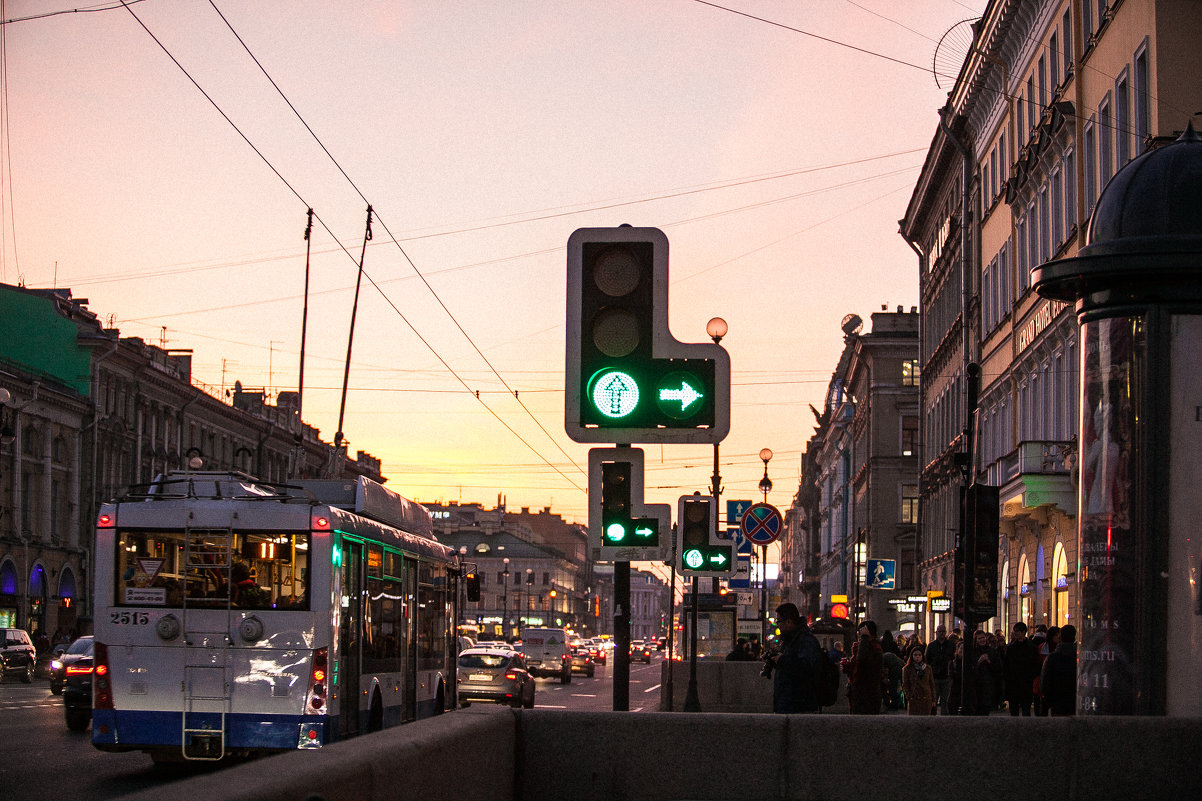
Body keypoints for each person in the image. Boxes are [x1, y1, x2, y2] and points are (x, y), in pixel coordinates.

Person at [764, 603, 823, 713]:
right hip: (787, 705)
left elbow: (806, 668)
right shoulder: (789, 640)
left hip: (800, 707)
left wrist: (782, 660)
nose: (777, 625)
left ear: (789, 622)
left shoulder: (806, 640)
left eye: (779, 621)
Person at [1003, 622, 1041, 716]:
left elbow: (1036, 665)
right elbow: (1007, 665)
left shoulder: (1031, 647)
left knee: (1026, 708)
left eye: (1018, 631)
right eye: (1015, 631)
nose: (1015, 633)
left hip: (1025, 682)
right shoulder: (1011, 648)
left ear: (1023, 632)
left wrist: (1030, 676)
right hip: (1014, 682)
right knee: (1014, 708)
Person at [1041, 624, 1077, 716]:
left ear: (1061, 637)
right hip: (1074, 701)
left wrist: (1049, 701)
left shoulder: (1052, 657)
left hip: (1057, 702)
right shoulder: (1078, 657)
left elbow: (1045, 681)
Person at [848, 620, 884, 714]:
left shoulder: (875, 649)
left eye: (860, 634)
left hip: (868, 695)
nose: (858, 637)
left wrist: (864, 638)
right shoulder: (859, 648)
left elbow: (862, 660)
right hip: (857, 694)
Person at [925, 625, 955, 715]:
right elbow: (927, 659)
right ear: (936, 632)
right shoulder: (931, 646)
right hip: (935, 676)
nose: (941, 633)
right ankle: (932, 716)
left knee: (945, 700)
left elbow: (953, 658)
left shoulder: (951, 645)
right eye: (939, 631)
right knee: (933, 699)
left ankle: (944, 718)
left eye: (943, 632)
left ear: (945, 633)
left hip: (946, 676)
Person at [902, 645, 936, 715]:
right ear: (912, 656)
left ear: (922, 656)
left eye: (919, 655)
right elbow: (905, 684)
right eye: (915, 655)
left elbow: (931, 684)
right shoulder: (907, 669)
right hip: (914, 698)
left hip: (926, 698)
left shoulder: (927, 668)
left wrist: (933, 699)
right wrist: (909, 696)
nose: (917, 657)